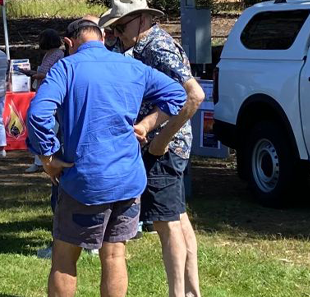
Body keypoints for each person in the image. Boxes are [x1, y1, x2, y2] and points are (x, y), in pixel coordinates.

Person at [26, 18, 192, 297]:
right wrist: (147, 125)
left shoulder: (66, 67)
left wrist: (47, 156)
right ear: (104, 38)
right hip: (127, 180)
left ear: (69, 43)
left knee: (65, 257)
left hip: (84, 180)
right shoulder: (131, 65)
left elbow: (37, 114)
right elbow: (178, 94)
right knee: (115, 256)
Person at [102, 0, 207, 297]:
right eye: (114, 29)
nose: (118, 35)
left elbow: (194, 95)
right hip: (167, 145)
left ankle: (177, 293)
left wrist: (159, 138)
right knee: (178, 218)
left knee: (165, 223)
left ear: (144, 19)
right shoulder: (144, 45)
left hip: (164, 148)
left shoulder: (156, 46)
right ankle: (190, 292)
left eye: (122, 27)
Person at [23, 19, 92, 174]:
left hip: (54, 96)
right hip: (43, 91)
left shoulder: (59, 55)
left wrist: (38, 75)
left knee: (49, 126)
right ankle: (41, 159)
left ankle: (44, 158)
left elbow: (55, 75)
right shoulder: (48, 54)